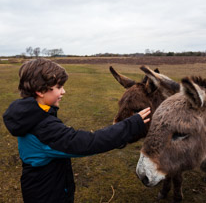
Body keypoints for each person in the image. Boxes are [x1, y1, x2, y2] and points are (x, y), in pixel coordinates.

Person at [3, 58, 150, 203]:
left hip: (43, 187)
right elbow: (88, 143)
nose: (64, 91)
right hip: (48, 196)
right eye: (59, 87)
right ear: (41, 91)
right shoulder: (43, 128)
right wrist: (131, 125)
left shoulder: (30, 114)